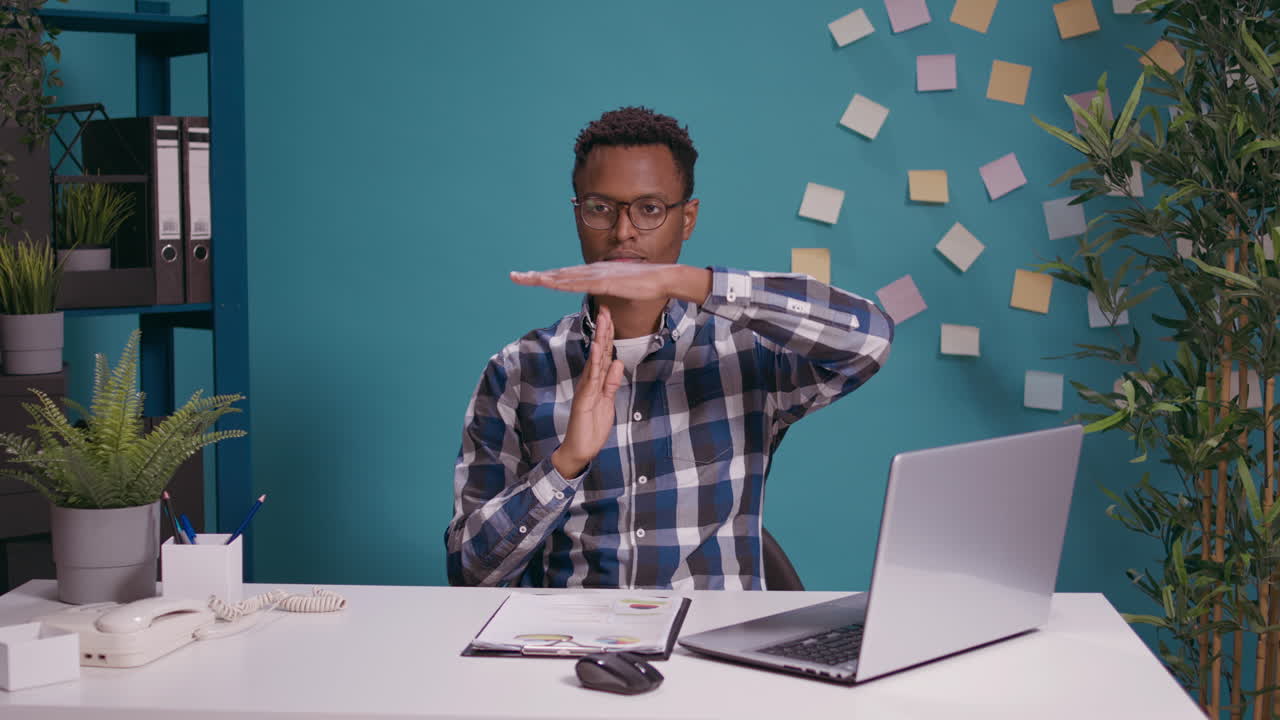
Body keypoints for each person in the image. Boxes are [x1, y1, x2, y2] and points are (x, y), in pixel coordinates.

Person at [446, 106, 894, 590]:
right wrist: (565, 463)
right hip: (575, 648)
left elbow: (868, 338)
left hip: (715, 644)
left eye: (650, 209)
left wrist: (690, 281)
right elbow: (469, 572)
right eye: (601, 208)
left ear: (688, 219)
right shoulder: (517, 371)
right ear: (577, 215)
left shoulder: (746, 350)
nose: (624, 232)